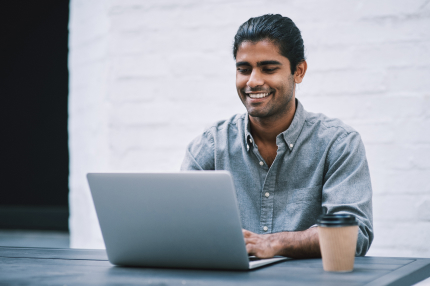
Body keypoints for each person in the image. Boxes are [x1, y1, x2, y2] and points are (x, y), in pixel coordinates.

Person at [181, 14, 373, 259]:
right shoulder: (210, 145)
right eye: (244, 69)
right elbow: (182, 228)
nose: (253, 81)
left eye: (269, 69)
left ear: (299, 71)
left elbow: (353, 234)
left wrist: (275, 243)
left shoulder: (338, 143)